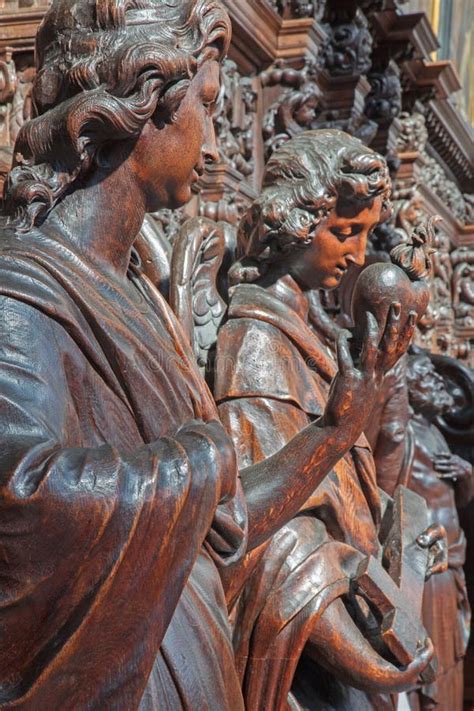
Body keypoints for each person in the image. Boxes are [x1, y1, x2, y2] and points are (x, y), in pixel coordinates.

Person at [0, 2, 430, 709]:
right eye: (204, 102)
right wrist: (199, 458)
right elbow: (21, 501)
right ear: (140, 101)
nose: (214, 143)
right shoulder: (25, 289)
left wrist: (335, 428)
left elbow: (225, 526)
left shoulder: (141, 303)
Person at [214, 130, 442, 710]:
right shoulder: (256, 337)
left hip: (343, 629)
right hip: (306, 660)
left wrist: (401, 532)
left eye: (365, 234)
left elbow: (341, 490)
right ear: (294, 221)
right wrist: (371, 665)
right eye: (344, 232)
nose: (359, 254)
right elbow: (262, 529)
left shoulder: (317, 339)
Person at [405, 354, 472, 711]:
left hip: (451, 563)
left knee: (451, 663)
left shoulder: (433, 433)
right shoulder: (402, 437)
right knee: (432, 668)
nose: (439, 383)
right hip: (427, 570)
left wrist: (467, 479)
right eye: (427, 377)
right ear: (408, 388)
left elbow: (454, 502)